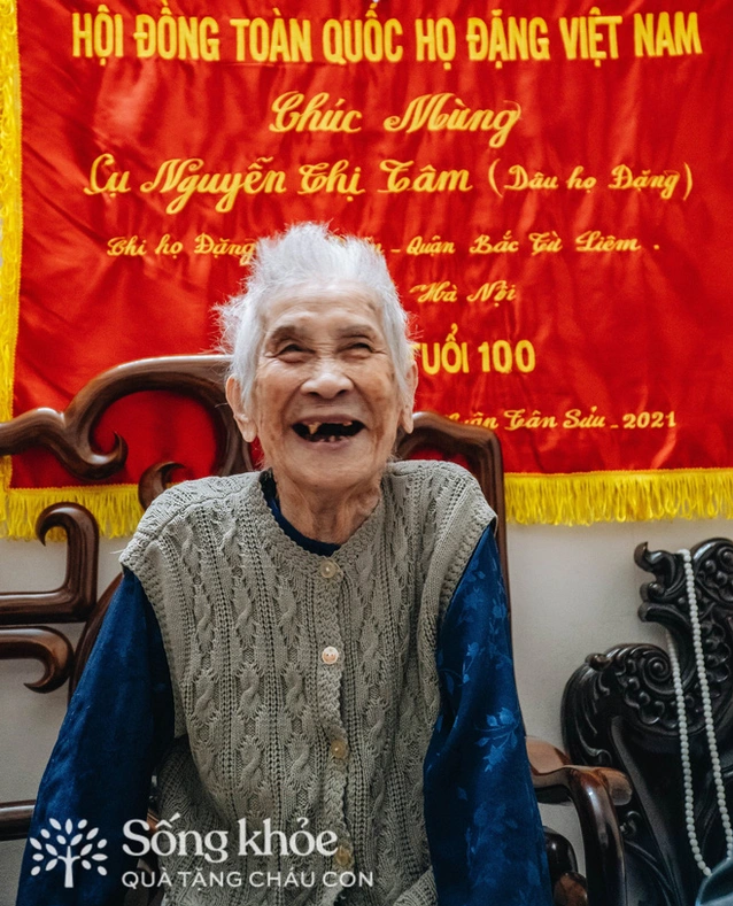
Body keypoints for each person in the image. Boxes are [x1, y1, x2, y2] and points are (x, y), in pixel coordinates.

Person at [16, 223, 552, 905]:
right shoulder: (182, 540)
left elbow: (486, 770)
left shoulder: (445, 520)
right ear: (243, 405)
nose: (326, 380)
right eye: (291, 350)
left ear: (405, 391)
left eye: (358, 347)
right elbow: (92, 782)